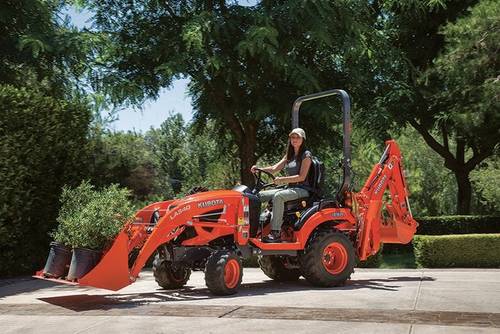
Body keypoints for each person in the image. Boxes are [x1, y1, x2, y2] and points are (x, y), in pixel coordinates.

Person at [250, 128, 312, 243]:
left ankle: (275, 233)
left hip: (302, 189)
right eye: (293, 137)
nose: (295, 139)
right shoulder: (289, 154)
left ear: (303, 139)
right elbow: (274, 169)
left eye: (297, 137)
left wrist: (282, 180)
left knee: (279, 196)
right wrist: (259, 169)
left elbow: (301, 177)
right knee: (258, 196)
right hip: (290, 188)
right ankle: (253, 226)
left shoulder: (306, 155)